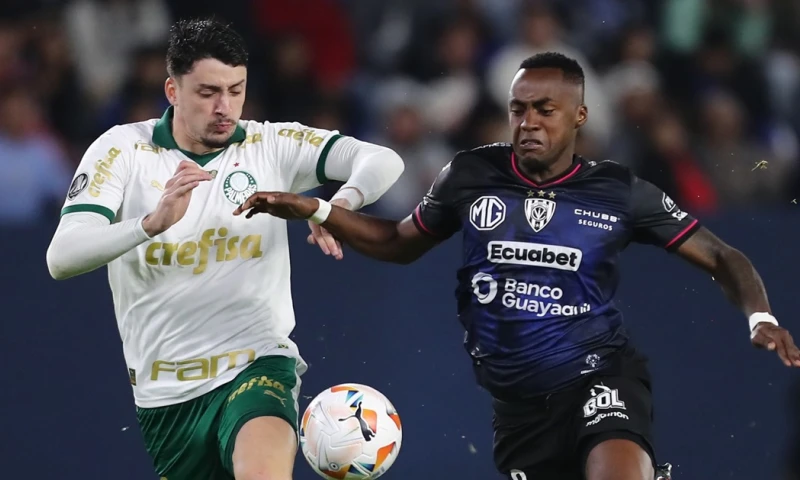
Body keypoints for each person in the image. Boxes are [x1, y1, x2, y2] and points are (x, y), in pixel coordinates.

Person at [233, 52, 800, 480]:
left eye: (544, 110)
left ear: (578, 115)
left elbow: (723, 256)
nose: (527, 121)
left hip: (600, 377)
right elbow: (399, 243)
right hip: (518, 410)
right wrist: (318, 207)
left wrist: (759, 317)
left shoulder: (618, 193)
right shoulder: (471, 175)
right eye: (518, 109)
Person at [45, 17, 404, 480]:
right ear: (172, 91)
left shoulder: (269, 144)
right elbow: (61, 257)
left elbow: (382, 159)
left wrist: (333, 209)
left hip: (257, 363)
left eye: (236, 90)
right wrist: (150, 224)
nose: (225, 107)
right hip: (165, 396)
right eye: (208, 92)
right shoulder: (123, 150)